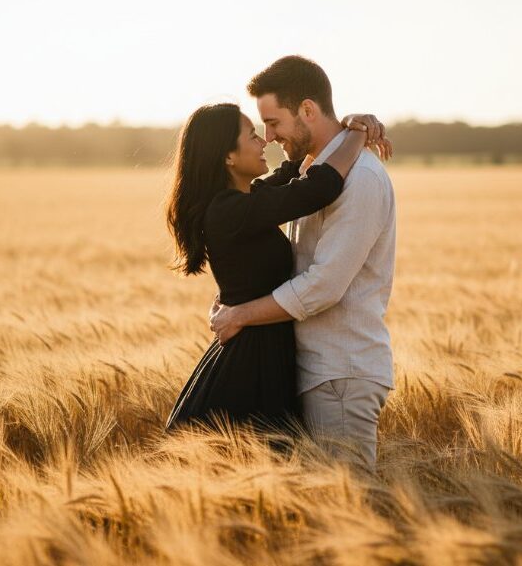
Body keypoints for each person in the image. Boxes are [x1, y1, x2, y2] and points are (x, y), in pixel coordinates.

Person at [210, 56, 397, 469]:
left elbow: (324, 285)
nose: (269, 136)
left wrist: (241, 314)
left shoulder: (360, 178)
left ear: (307, 110)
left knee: (349, 511)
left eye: (274, 122)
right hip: (314, 371)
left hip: (341, 373)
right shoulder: (312, 173)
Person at [164, 101, 390, 432]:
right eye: (253, 135)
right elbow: (319, 187)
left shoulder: (241, 202)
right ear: (227, 156)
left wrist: (345, 125)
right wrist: (357, 134)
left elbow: (296, 168)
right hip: (252, 361)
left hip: (264, 352)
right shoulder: (229, 210)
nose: (264, 141)